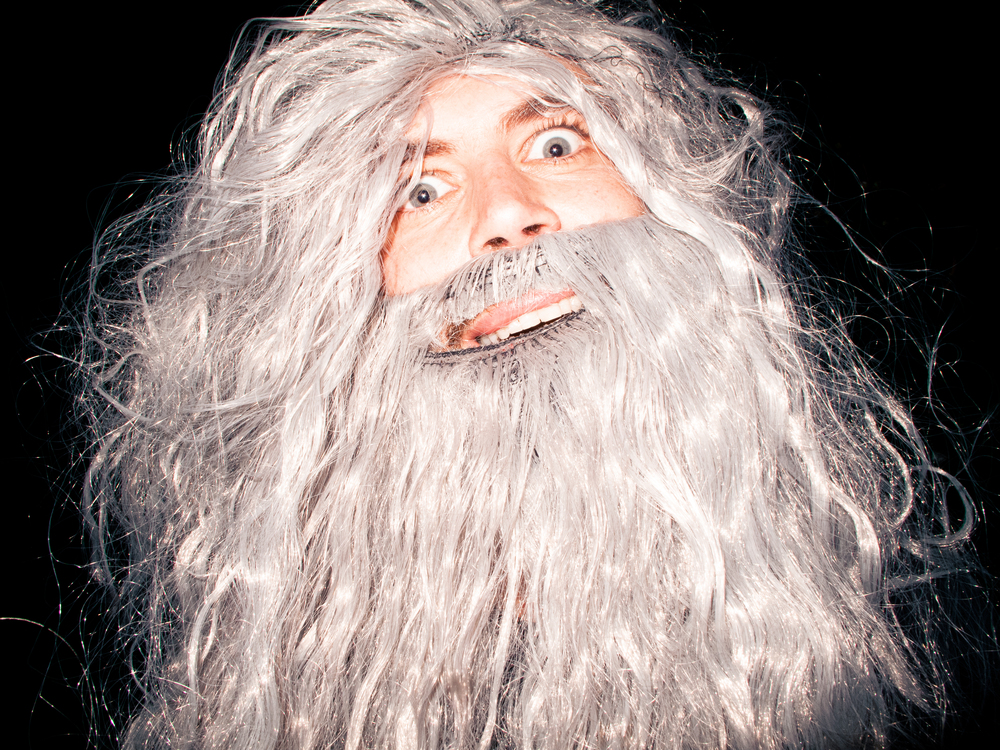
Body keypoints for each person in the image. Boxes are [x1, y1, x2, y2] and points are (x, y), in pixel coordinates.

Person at [79, 1, 987, 747]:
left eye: (556, 146)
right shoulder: (290, 696)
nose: (508, 218)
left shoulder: (906, 641)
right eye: (420, 192)